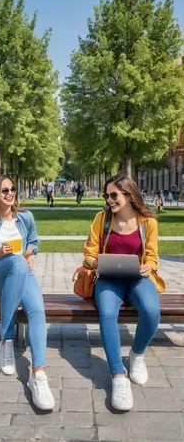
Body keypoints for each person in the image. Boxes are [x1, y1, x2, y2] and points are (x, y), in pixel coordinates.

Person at [0, 175, 55, 411]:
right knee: (16, 263)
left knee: (37, 311)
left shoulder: (26, 217)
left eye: (13, 189)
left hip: (22, 272)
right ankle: (6, 340)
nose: (10, 194)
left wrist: (28, 254)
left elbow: (35, 243)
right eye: (4, 190)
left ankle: (38, 374)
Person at [83, 174, 165, 411]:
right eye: (106, 195)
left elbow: (152, 256)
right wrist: (94, 263)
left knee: (151, 310)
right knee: (107, 313)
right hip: (108, 279)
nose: (109, 200)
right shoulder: (102, 219)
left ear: (129, 195)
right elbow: (88, 253)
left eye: (114, 195)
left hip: (138, 278)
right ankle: (118, 376)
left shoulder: (147, 222)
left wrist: (150, 265)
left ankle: (137, 354)